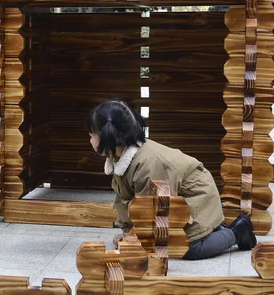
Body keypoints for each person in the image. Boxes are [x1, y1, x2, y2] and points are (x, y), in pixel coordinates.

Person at [86, 99, 257, 260]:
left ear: (107, 135)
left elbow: (151, 211)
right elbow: (126, 200)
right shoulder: (119, 158)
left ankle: (237, 232)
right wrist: (128, 233)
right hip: (176, 195)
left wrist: (132, 239)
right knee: (163, 240)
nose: (90, 140)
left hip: (196, 194)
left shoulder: (147, 164)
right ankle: (213, 230)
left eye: (92, 135)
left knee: (187, 248)